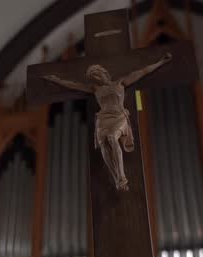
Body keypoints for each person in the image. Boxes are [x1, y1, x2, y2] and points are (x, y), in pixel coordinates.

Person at [43, 53, 172, 191]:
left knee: (112, 138)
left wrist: (160, 62)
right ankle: (116, 178)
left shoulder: (120, 82)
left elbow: (143, 71)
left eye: (96, 73)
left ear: (105, 73)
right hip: (103, 119)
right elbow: (73, 85)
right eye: (92, 76)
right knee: (104, 144)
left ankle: (122, 177)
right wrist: (56, 79)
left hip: (118, 116)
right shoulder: (95, 89)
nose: (94, 77)